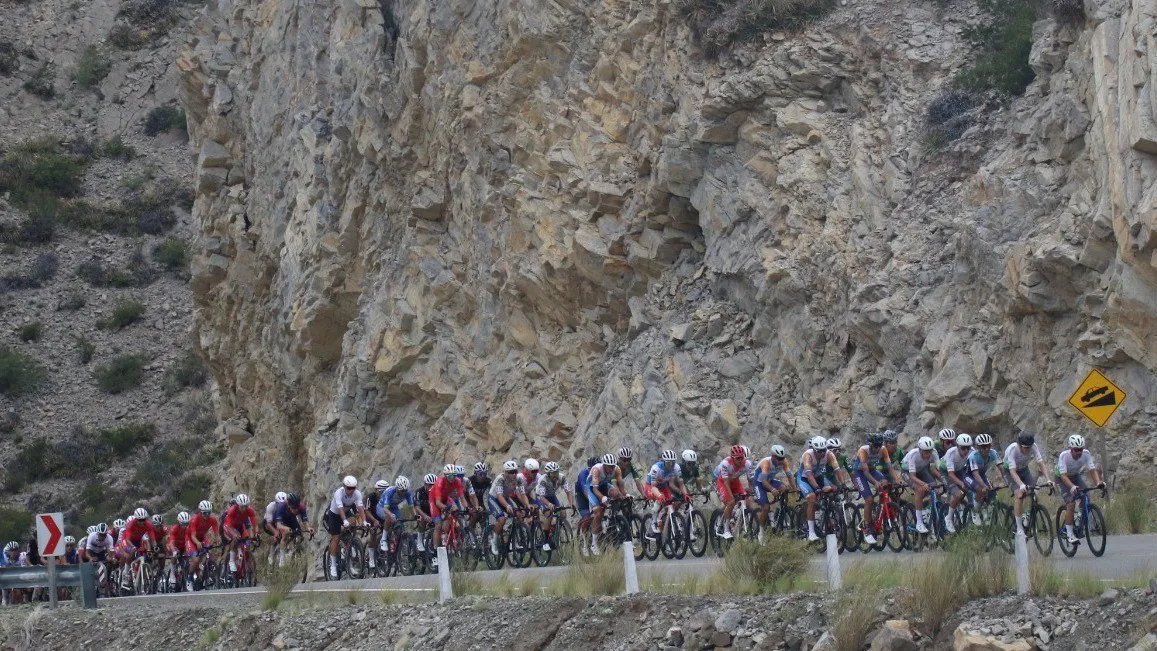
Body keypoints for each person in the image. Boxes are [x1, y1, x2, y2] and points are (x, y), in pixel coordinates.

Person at [852, 433, 901, 546]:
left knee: (885, 483)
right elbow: (865, 472)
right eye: (875, 446)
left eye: (879, 445)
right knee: (869, 499)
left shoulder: (883, 450)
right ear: (870, 445)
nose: (877, 448)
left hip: (872, 469)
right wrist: (875, 482)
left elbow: (890, 468)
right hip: (859, 472)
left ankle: (879, 511)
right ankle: (867, 527)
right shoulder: (863, 451)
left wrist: (897, 479)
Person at [1056, 434, 1104, 544]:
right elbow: (1063, 476)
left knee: (1086, 496)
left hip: (1075, 476)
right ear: (1070, 449)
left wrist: (1098, 482)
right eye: (1076, 450)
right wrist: (1072, 487)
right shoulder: (1064, 456)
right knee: (1071, 503)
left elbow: (1092, 470)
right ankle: (1069, 534)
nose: (1079, 452)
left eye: (1081, 449)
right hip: (1062, 478)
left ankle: (1078, 518)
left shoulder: (1086, 454)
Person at [796, 437, 842, 542]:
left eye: (824, 450)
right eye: (819, 451)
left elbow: (837, 469)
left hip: (818, 476)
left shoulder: (829, 454)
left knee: (830, 492)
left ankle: (825, 515)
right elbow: (809, 474)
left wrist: (842, 484)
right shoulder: (808, 455)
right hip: (804, 478)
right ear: (814, 449)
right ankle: (811, 532)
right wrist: (816, 488)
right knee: (812, 497)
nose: (822, 453)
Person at [1003, 433, 1052, 530]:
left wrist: (1048, 479)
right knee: (1019, 494)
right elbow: (1012, 472)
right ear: (1019, 445)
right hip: (1010, 471)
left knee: (1033, 493)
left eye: (1029, 447)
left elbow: (1041, 464)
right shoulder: (1012, 449)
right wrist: (1021, 485)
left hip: (1024, 469)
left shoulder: (1033, 446)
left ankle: (1027, 515)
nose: (1028, 450)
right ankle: (1019, 529)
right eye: (1026, 447)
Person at [486, 460, 532, 556]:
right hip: (494, 499)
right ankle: (494, 541)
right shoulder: (500, 479)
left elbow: (523, 494)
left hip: (506, 497)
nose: (514, 474)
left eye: (515, 471)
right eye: (511, 472)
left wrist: (527, 504)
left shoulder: (518, 478)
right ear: (505, 472)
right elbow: (499, 496)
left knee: (519, 515)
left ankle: (515, 540)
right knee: (502, 520)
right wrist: (507, 506)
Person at [324, 476, 366, 579]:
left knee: (353, 523)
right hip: (334, 515)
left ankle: (350, 551)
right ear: (344, 486)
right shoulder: (339, 493)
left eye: (353, 488)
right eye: (349, 488)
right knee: (336, 538)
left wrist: (364, 521)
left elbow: (360, 508)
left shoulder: (357, 494)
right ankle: (333, 565)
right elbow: (340, 508)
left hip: (346, 513)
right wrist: (344, 521)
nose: (351, 490)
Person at [431, 464, 473, 564]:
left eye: (454, 475)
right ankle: (435, 551)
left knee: (456, 511)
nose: (452, 478)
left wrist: (467, 508)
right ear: (445, 475)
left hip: (446, 499)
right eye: (450, 476)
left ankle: (453, 533)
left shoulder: (457, 481)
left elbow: (462, 497)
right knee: (438, 524)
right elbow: (438, 503)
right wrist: (446, 508)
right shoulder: (440, 482)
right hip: (435, 500)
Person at [642, 451, 689, 540]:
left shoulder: (676, 468)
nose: (671, 465)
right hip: (651, 487)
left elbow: (681, 484)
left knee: (670, 502)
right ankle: (653, 522)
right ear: (664, 461)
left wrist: (685, 494)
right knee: (659, 500)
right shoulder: (656, 468)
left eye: (673, 462)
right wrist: (659, 495)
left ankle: (664, 523)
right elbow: (653, 487)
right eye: (669, 462)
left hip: (663, 486)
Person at [754, 445, 797, 541]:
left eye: (782, 458)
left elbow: (790, 476)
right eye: (778, 458)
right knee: (766, 507)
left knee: (784, 488)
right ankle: (761, 532)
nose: (781, 461)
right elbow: (764, 481)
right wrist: (772, 490)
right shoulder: (766, 463)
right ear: (773, 456)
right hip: (759, 483)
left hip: (770, 480)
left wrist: (795, 488)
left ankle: (782, 511)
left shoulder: (784, 461)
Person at [902, 436, 944, 534]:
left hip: (921, 469)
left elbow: (940, 469)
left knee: (934, 488)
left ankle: (926, 509)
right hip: (907, 472)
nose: (929, 454)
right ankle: (919, 522)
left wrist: (945, 480)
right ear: (920, 450)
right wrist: (923, 484)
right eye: (926, 452)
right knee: (920, 489)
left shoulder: (934, 452)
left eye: (930, 451)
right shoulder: (913, 455)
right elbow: (912, 476)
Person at [587, 454, 625, 554]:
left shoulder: (617, 469)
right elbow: (595, 489)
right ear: (604, 465)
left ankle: (612, 519)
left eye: (613, 466)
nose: (611, 469)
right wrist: (602, 497)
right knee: (599, 511)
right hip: (591, 487)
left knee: (616, 494)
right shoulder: (597, 469)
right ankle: (594, 543)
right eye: (609, 466)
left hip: (603, 484)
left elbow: (621, 485)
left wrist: (624, 495)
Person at [715, 444, 755, 540]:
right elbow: (726, 482)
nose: (740, 460)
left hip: (735, 482)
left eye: (742, 457)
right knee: (731, 502)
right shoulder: (726, 463)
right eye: (738, 458)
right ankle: (726, 529)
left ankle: (743, 525)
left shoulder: (747, 464)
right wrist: (731, 496)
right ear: (732, 457)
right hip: (723, 482)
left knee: (747, 501)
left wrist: (752, 491)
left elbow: (750, 479)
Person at [533, 461, 574, 550]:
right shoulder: (543, 480)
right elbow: (541, 497)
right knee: (549, 513)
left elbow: (568, 491)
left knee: (562, 513)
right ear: (548, 474)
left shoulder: (562, 477)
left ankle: (554, 531)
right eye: (553, 474)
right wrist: (548, 504)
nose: (555, 476)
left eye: (556, 473)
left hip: (552, 496)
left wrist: (571, 504)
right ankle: (545, 541)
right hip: (541, 497)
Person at [965, 433, 1000, 524]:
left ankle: (987, 516)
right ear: (978, 447)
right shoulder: (973, 456)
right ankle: (975, 511)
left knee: (992, 493)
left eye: (988, 446)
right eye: (984, 447)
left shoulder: (993, 453)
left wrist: (1004, 481)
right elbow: (975, 474)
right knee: (980, 490)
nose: (987, 449)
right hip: (969, 476)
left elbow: (1001, 468)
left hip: (982, 475)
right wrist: (984, 485)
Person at [941, 434, 973, 532]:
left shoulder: (972, 451)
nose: (966, 451)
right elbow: (951, 475)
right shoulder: (951, 453)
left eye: (968, 448)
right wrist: (961, 483)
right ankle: (949, 517)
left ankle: (970, 513)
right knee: (958, 494)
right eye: (963, 448)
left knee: (971, 491)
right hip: (946, 472)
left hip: (959, 470)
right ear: (957, 446)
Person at [375, 477, 414, 553]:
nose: (404, 492)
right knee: (389, 517)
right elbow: (386, 509)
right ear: (397, 488)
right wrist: (391, 515)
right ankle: (383, 539)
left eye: (406, 490)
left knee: (401, 522)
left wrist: (415, 516)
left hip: (395, 507)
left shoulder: (408, 492)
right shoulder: (390, 492)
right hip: (382, 507)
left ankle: (399, 542)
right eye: (402, 491)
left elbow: (411, 507)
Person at [222, 494, 258, 574]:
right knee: (236, 537)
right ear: (237, 505)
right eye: (242, 507)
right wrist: (233, 534)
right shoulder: (232, 510)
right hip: (229, 526)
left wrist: (255, 535)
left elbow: (254, 525)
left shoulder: (249, 510)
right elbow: (228, 526)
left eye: (246, 506)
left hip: (240, 527)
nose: (244, 509)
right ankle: (231, 560)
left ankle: (245, 561)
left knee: (248, 541)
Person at [187, 501, 219, 588]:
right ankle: (189, 578)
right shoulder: (194, 519)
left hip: (202, 537)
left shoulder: (212, 520)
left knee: (210, 555)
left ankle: (204, 573)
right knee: (196, 559)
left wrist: (215, 540)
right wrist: (197, 543)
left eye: (209, 512)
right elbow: (193, 536)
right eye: (205, 513)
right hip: (191, 539)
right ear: (200, 512)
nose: (207, 515)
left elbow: (216, 534)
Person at [574, 457, 597, 545]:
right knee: (587, 515)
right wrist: (592, 502)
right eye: (593, 469)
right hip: (581, 495)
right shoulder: (583, 474)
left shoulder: (600, 473)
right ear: (589, 468)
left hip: (593, 493)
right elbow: (585, 490)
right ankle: (584, 540)